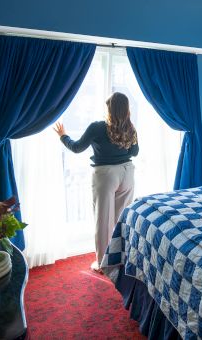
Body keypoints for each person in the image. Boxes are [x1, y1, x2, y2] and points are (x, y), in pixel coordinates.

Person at [53, 92, 138, 272]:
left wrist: (63, 136)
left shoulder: (97, 127)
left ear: (110, 109)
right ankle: (123, 257)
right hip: (127, 173)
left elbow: (76, 147)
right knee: (122, 219)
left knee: (103, 220)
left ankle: (103, 263)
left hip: (106, 174)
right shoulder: (131, 128)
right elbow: (135, 152)